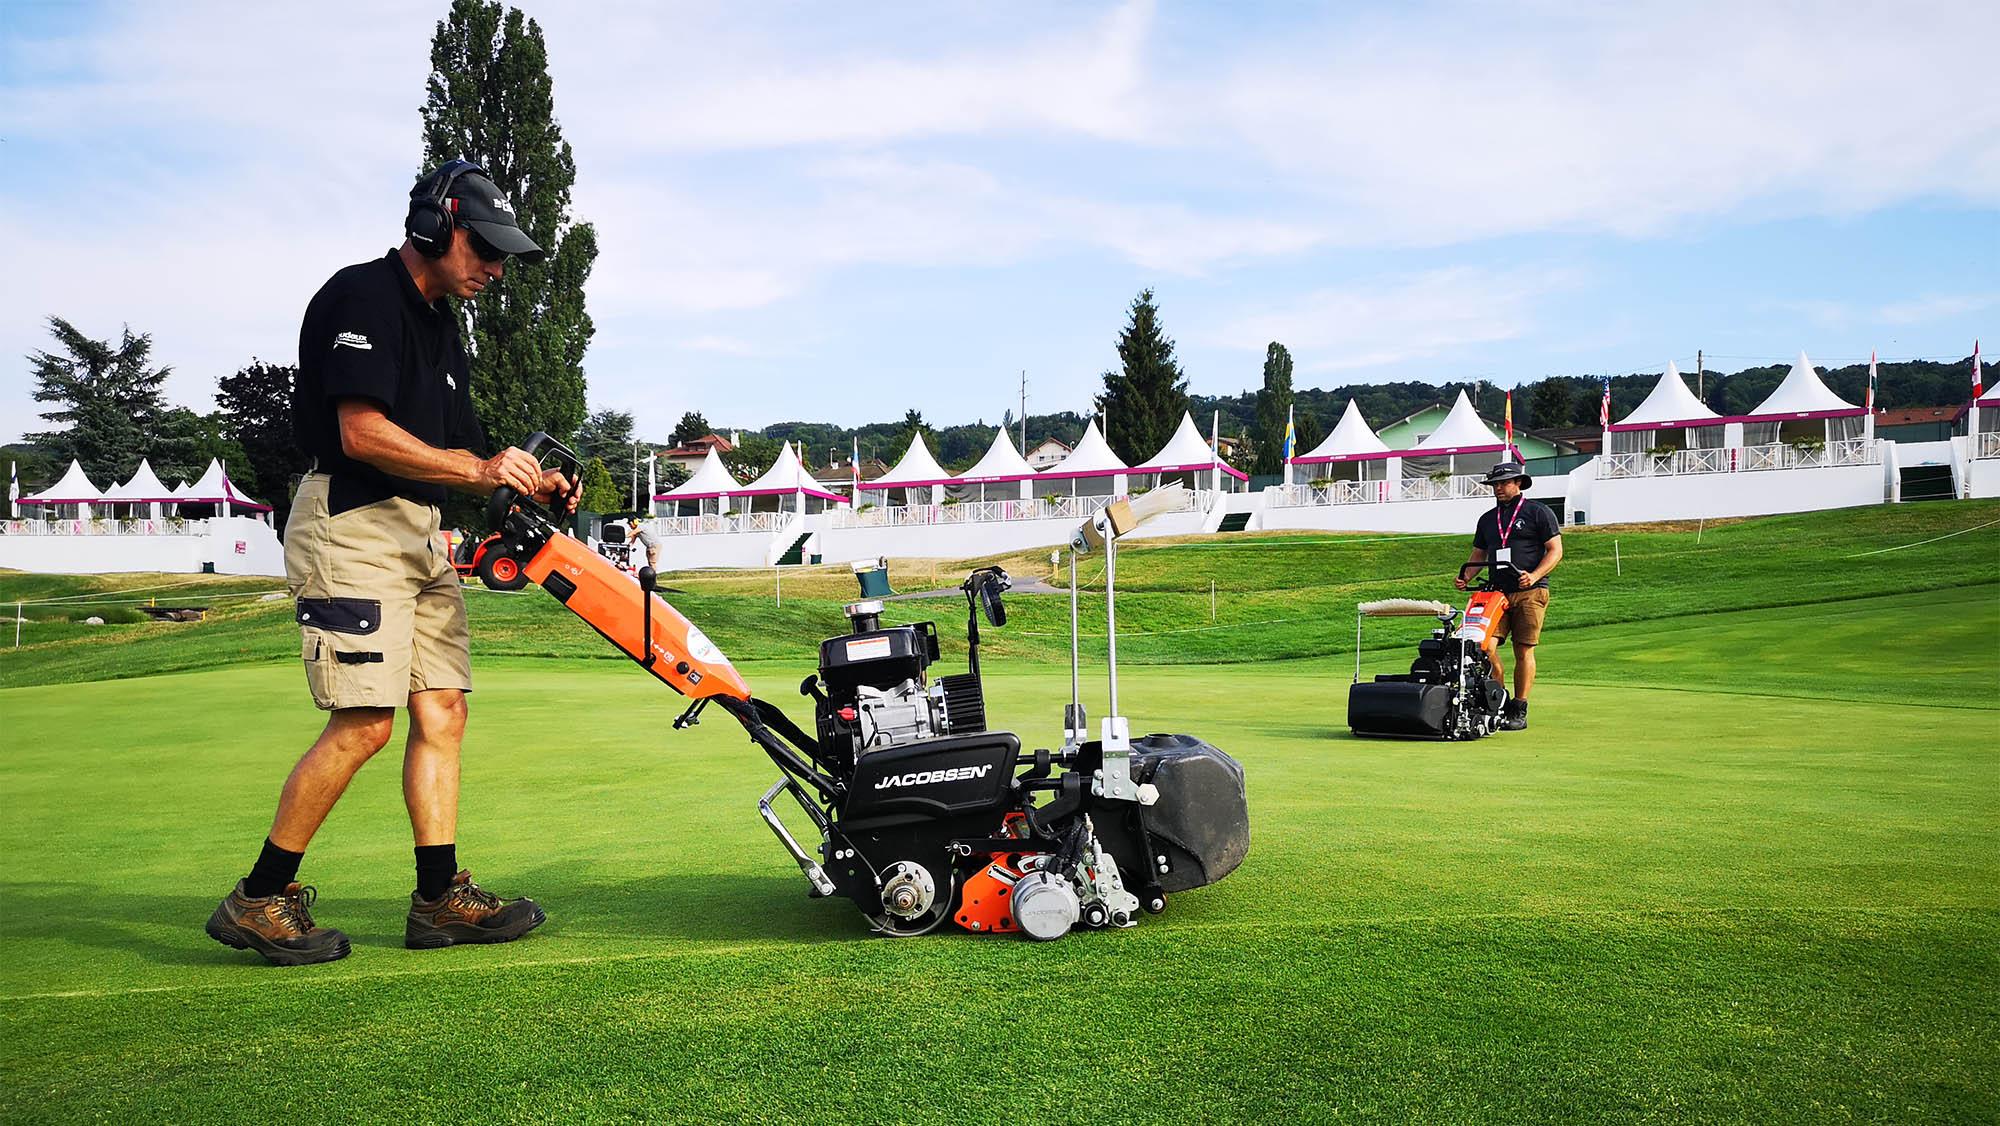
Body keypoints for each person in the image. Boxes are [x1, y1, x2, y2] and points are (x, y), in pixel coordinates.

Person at [206, 160, 575, 966]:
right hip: (351, 522)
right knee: (367, 720)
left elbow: (463, 450)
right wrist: (477, 471)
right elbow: (360, 433)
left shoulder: (446, 327)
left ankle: (439, 901)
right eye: (485, 248)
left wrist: (527, 477)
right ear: (436, 227)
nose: (496, 266)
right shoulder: (362, 296)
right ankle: (259, 897)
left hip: (419, 530)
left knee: (443, 708)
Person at [1456, 461, 1563, 732]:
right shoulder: (1488, 520)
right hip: (1496, 593)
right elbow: (1480, 554)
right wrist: (1466, 577)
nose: (1498, 488)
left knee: (1523, 649)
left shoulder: (1539, 512)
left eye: (1504, 483)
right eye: (1495, 484)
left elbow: (1555, 551)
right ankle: (1499, 699)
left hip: (1530, 591)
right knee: (1484, 646)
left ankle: (1519, 707)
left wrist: (1535, 575)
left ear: (1519, 483)